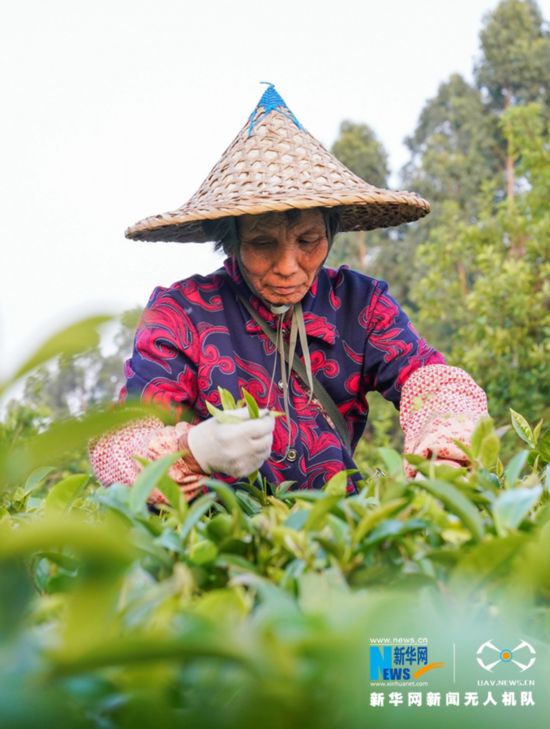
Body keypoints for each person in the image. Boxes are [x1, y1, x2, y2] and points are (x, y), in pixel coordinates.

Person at [90, 84, 488, 501]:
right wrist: (189, 453)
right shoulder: (182, 313)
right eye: (263, 244)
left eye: (308, 240)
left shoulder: (360, 305)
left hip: (336, 531)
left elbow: (428, 378)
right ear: (232, 241)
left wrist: (445, 448)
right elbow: (124, 437)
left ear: (331, 233)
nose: (287, 266)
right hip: (221, 538)